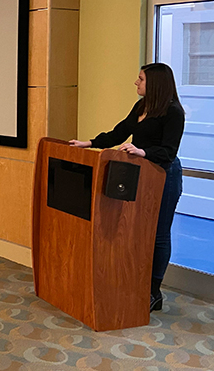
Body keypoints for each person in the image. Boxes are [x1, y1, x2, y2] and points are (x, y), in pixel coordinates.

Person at [70, 62, 184, 312]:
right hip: (141, 176)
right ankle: (137, 282)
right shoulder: (142, 106)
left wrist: (142, 151)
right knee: (137, 229)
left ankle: (154, 292)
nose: (136, 82)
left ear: (154, 84)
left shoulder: (173, 112)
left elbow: (168, 150)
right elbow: (119, 132)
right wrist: (89, 143)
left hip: (164, 176)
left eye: (140, 79)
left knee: (159, 234)